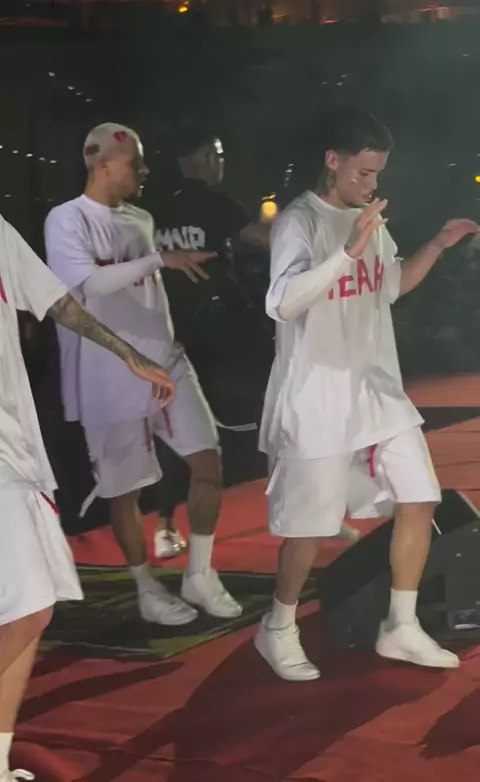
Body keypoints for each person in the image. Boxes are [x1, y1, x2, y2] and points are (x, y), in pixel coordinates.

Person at [255, 106, 479, 681]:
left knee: (420, 497)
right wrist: (347, 252)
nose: (371, 184)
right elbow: (282, 302)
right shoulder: (300, 221)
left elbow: (392, 284)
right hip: (318, 397)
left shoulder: (368, 220)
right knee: (309, 529)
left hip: (377, 392)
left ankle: (400, 625)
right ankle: (277, 626)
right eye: (363, 172)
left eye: (377, 174)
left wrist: (437, 245)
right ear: (333, 161)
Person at [0, 212, 175, 782]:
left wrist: (125, 352)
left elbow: (55, 301)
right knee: (28, 604)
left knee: (33, 608)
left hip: (14, 443)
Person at [44, 122, 242, 626]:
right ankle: (146, 587)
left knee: (208, 461)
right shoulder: (65, 219)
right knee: (124, 489)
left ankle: (200, 574)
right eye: (135, 162)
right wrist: (159, 259)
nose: (144, 170)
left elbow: (141, 282)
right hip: (106, 373)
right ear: (103, 164)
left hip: (166, 360)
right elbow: (87, 283)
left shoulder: (141, 218)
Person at [154, 124, 358, 550]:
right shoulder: (216, 202)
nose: (221, 163)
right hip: (225, 334)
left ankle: (166, 528)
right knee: (279, 413)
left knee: (176, 431)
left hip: (169, 335)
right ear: (205, 158)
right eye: (217, 154)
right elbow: (267, 238)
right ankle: (307, 512)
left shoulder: (152, 209)